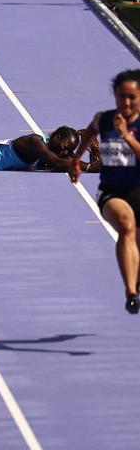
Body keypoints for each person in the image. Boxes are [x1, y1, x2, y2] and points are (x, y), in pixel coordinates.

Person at [71, 69, 140, 313]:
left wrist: (124, 135)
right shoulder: (104, 119)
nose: (127, 102)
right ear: (115, 96)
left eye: (132, 97)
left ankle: (136, 281)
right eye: (122, 97)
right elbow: (90, 132)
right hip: (113, 191)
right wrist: (77, 160)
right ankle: (131, 294)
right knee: (126, 224)